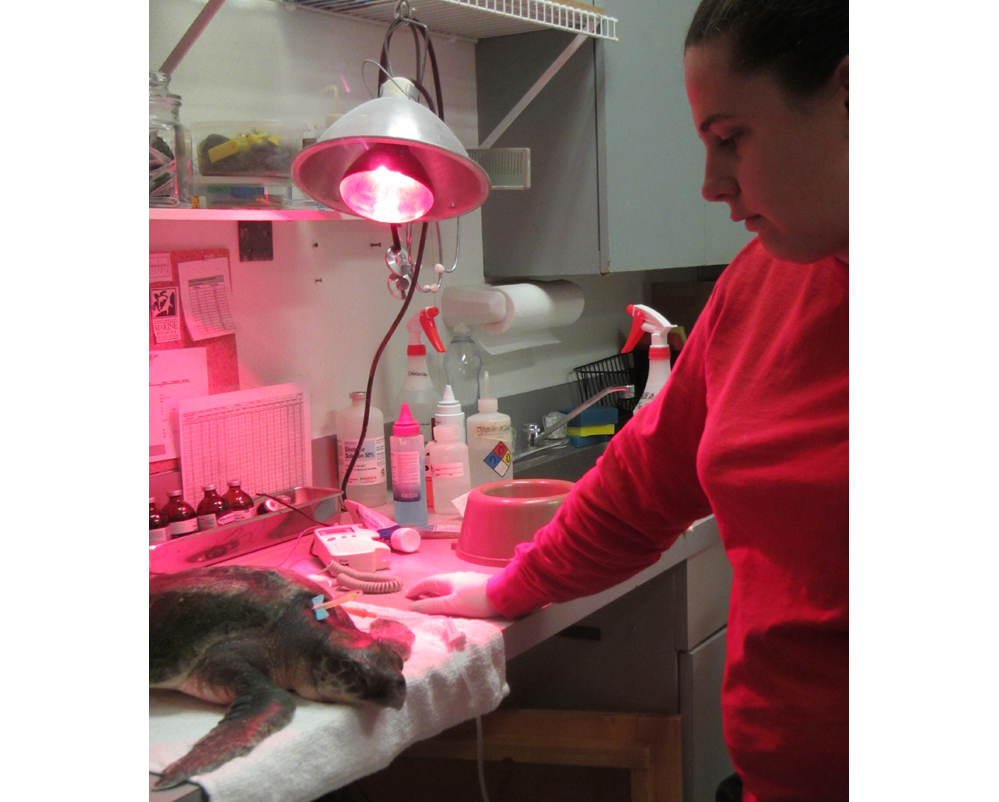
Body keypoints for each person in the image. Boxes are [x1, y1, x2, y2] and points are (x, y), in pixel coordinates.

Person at [407, 1, 849, 800]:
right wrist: (508, 588)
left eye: (729, 138)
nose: (712, 186)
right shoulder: (761, 284)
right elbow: (643, 483)